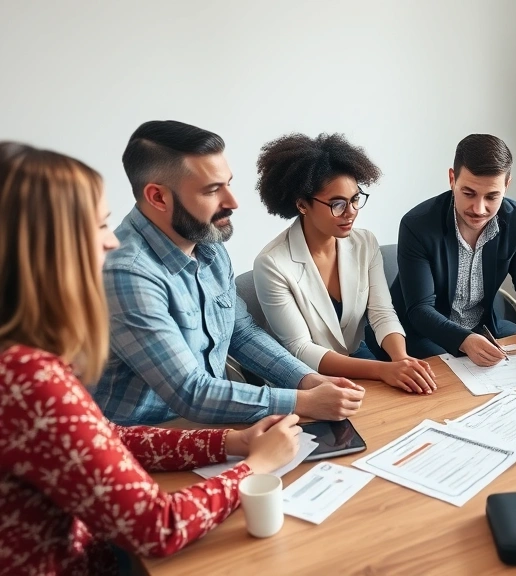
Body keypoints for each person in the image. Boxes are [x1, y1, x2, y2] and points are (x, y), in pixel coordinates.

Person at [0, 142, 305, 575]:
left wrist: (230, 443)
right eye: (100, 226)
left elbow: (109, 437)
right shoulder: (28, 378)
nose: (111, 241)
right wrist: (257, 466)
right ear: (43, 247)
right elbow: (158, 527)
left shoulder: (23, 359)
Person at [92, 121, 364, 425]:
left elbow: (240, 332)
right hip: (143, 436)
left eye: (228, 184)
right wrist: (303, 402)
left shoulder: (207, 242)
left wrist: (306, 380)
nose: (232, 203)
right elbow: (189, 392)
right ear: (158, 197)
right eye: (212, 190)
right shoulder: (127, 273)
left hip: (214, 417)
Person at [253, 133, 436, 394]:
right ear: (302, 204)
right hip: (304, 377)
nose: (350, 212)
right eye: (336, 204)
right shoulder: (272, 263)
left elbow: (382, 312)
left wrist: (401, 359)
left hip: (356, 358)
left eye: (355, 199)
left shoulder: (365, 244)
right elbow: (301, 348)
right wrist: (383, 370)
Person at [389, 134, 516, 366]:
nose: (479, 209)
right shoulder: (417, 225)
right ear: (452, 179)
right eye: (469, 193)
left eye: (492, 196)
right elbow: (420, 310)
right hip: (417, 334)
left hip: (481, 329)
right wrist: (464, 340)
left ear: (507, 185)